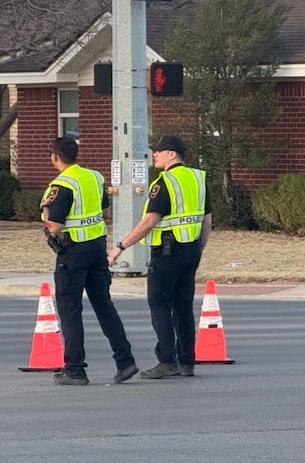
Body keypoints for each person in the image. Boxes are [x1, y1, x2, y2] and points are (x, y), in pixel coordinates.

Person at [108, 135, 212, 379]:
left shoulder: (165, 181)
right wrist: (198, 248)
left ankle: (167, 361)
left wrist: (120, 247)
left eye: (159, 151)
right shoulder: (198, 178)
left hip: (167, 252)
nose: (154, 154)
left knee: (160, 305)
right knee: (184, 306)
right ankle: (187, 362)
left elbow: (149, 222)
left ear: (172, 154)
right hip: (191, 249)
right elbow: (206, 220)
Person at [41, 137, 139, 386]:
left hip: (73, 252)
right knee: (104, 305)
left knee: (70, 310)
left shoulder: (61, 184)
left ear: (55, 157)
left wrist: (44, 217)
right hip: (96, 249)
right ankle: (125, 361)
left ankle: (74, 369)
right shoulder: (95, 177)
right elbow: (103, 208)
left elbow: (54, 225)